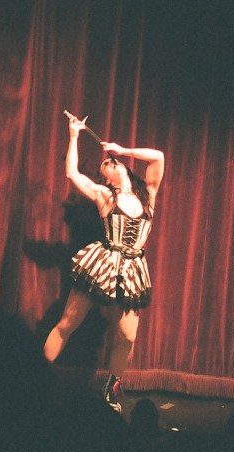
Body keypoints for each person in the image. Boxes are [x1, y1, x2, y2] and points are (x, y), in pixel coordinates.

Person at [44, 114, 164, 412]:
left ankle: (111, 390)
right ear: (105, 177)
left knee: (127, 335)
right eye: (105, 166)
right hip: (104, 263)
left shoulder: (148, 192)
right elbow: (72, 173)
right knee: (67, 325)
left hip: (134, 267)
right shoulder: (103, 195)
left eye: (113, 162)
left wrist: (122, 150)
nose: (110, 164)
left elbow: (158, 157)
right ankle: (36, 380)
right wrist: (73, 135)